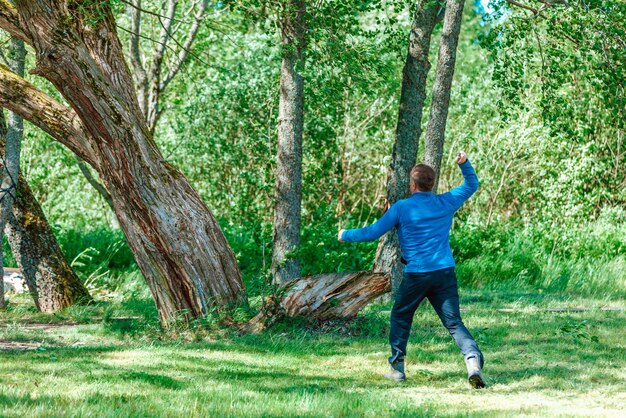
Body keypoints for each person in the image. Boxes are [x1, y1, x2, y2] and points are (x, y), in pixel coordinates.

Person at [338, 152, 486, 388]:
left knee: (400, 316)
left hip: (417, 274)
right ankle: (472, 362)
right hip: (444, 272)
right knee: (453, 322)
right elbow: (472, 184)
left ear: (412, 184)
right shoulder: (445, 201)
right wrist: (464, 164)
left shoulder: (402, 208)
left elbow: (372, 232)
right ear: (431, 184)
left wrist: (346, 234)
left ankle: (397, 370)